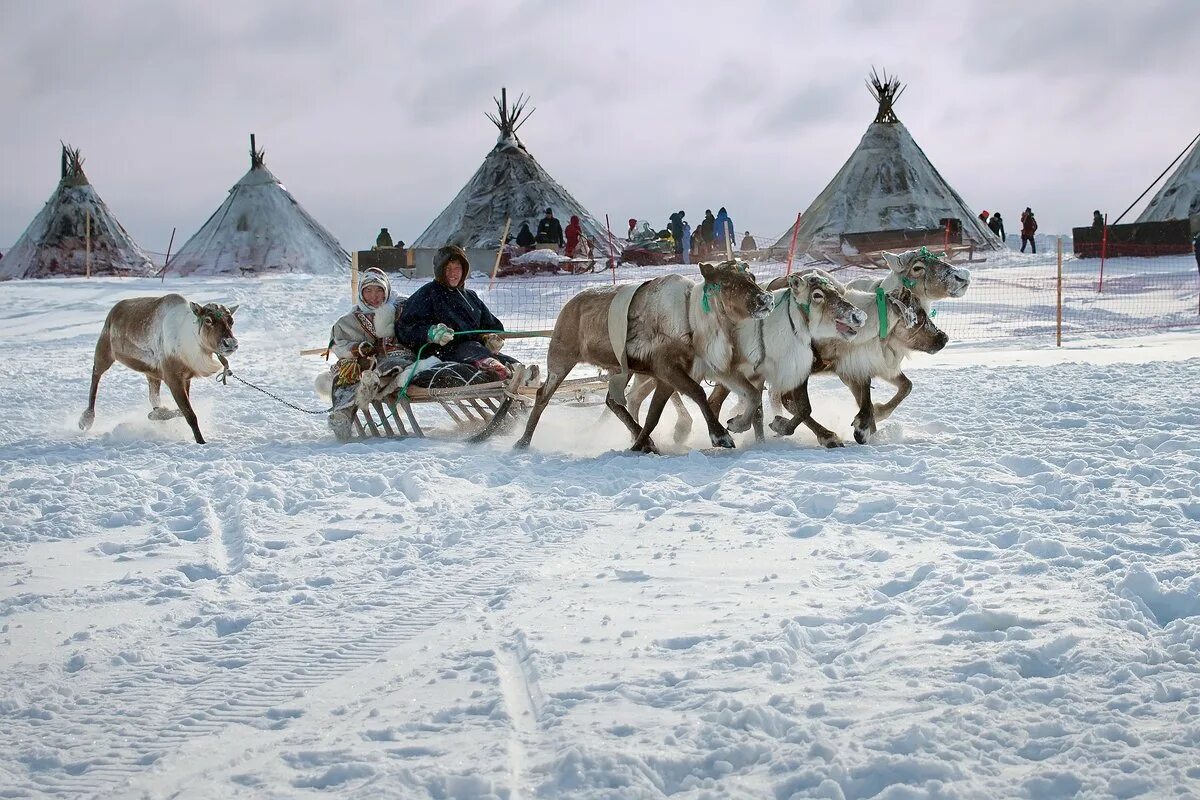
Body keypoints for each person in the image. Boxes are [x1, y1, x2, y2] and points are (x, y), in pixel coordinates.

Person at [395, 245, 518, 380]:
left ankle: (522, 376)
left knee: (507, 360)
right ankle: (501, 373)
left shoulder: (470, 297)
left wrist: (490, 337)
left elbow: (491, 326)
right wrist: (430, 333)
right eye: (448, 269)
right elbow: (404, 328)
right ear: (439, 270)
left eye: (457, 268)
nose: (453, 273)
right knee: (474, 351)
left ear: (464, 270)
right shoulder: (428, 293)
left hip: (475, 351)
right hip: (441, 353)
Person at [325, 268, 414, 438]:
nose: (374, 296)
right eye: (368, 290)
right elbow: (339, 342)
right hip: (365, 362)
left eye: (379, 290)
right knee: (346, 370)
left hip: (398, 358)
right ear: (361, 292)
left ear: (386, 290)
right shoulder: (351, 319)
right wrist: (357, 348)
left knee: (390, 365)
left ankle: (374, 381)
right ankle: (342, 416)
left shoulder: (402, 309)